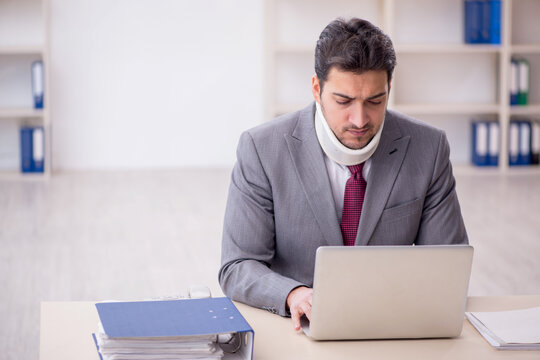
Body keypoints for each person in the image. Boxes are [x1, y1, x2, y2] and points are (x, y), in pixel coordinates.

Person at [218, 17, 468, 331]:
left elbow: (448, 265)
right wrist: (292, 294)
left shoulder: (428, 148)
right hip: (296, 326)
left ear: (389, 89)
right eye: (343, 101)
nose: (360, 119)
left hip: (393, 322)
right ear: (316, 88)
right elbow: (238, 266)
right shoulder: (262, 149)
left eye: (375, 101)